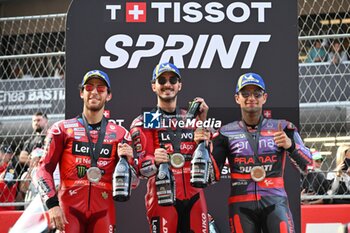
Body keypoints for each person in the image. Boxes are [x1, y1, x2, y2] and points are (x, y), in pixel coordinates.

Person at [36, 69, 138, 232]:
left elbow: (134, 183)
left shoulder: (121, 134)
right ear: (82, 93)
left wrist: (129, 162)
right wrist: (52, 204)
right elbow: (43, 170)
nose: (95, 92)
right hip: (68, 209)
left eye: (101, 88)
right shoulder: (61, 129)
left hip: (103, 210)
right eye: (89, 88)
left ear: (108, 95)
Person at [212, 72, 313, 233]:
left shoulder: (283, 127)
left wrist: (291, 146)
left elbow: (309, 165)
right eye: (245, 93)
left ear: (264, 97)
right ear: (237, 98)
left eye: (256, 93)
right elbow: (211, 177)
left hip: (275, 202)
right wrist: (201, 146)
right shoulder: (225, 133)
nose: (251, 97)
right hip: (241, 204)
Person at [130, 62, 219, 233]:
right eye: (162, 80)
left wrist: (202, 124)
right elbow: (141, 169)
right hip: (163, 196)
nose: (167, 84)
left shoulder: (192, 118)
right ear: (153, 86)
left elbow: (212, 175)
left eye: (172, 80)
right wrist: (154, 162)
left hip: (195, 197)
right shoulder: (144, 121)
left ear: (180, 85)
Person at [0, 144, 19, 210]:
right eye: (2, 152)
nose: (4, 155)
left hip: (6, 209)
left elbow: (4, 186)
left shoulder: (10, 170)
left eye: (8, 153)